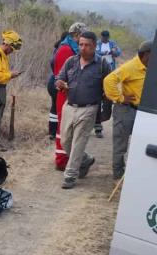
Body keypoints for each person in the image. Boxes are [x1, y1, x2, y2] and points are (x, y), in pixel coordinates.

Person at [55, 31, 110, 189]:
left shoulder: (102, 65)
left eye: (87, 45)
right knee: (65, 141)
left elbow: (109, 87)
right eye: (81, 44)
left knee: (79, 142)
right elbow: (59, 78)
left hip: (89, 109)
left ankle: (70, 176)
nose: (83, 48)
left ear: (94, 46)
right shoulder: (71, 61)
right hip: (69, 106)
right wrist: (59, 83)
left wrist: (105, 111)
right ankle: (85, 160)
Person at [103, 41, 153, 180]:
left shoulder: (153, 67)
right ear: (146, 54)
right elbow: (109, 80)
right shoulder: (130, 67)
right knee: (121, 144)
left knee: (141, 144)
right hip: (125, 110)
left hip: (143, 112)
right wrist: (119, 97)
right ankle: (118, 174)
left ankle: (135, 173)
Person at [53, 22, 88, 171]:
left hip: (71, 93)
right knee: (64, 126)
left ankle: (67, 157)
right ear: (76, 35)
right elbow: (62, 76)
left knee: (69, 127)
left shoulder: (71, 49)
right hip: (65, 93)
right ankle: (61, 160)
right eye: (82, 36)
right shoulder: (65, 50)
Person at [0, 30, 22, 146]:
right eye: (11, 48)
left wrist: (10, 75)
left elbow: (2, 74)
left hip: (1, 89)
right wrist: (10, 75)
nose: (12, 51)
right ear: (6, 44)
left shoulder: (3, 56)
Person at [93, 30, 122, 138]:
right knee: (97, 98)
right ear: (101, 37)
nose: (105, 39)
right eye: (103, 37)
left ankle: (102, 120)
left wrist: (113, 52)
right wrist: (104, 53)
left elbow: (118, 52)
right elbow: (95, 53)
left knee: (106, 97)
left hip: (110, 72)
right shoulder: (98, 44)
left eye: (106, 37)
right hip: (99, 70)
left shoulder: (112, 44)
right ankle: (97, 126)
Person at [47, 31, 70, 141]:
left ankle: (52, 132)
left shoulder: (57, 48)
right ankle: (58, 132)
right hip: (58, 82)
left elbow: (52, 63)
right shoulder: (65, 49)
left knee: (54, 107)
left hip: (52, 81)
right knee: (60, 108)